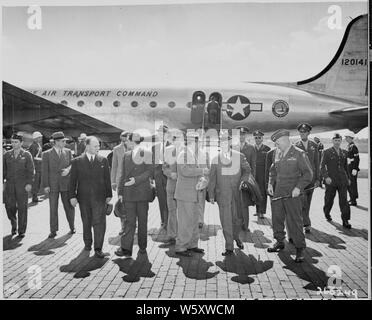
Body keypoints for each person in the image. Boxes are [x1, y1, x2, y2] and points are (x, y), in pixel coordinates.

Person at [267, 129, 313, 263]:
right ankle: (279, 241)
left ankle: (300, 249)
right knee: (277, 218)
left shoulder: (299, 154)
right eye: (275, 143)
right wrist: (270, 183)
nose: (276, 146)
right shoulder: (277, 152)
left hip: (294, 193)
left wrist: (298, 188)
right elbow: (272, 170)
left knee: (295, 221)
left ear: (285, 140)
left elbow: (308, 174)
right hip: (279, 192)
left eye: (278, 143)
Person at [208, 130, 250, 256]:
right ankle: (229, 246)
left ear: (230, 142)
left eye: (226, 141)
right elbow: (212, 178)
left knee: (238, 220)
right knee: (226, 221)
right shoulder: (215, 159)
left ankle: (236, 236)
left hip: (237, 194)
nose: (224, 143)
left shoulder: (240, 156)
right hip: (223, 195)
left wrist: (243, 181)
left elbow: (247, 171)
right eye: (222, 141)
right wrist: (211, 195)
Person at [69, 136, 112, 258]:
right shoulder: (77, 161)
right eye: (95, 146)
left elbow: (107, 179)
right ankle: (88, 244)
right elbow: (72, 181)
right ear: (87, 146)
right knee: (86, 222)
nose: (98, 148)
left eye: (99, 146)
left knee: (99, 223)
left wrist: (109, 194)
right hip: (84, 198)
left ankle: (98, 248)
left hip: (100, 198)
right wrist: (72, 196)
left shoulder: (103, 160)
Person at [115, 133, 153, 257]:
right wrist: (120, 193)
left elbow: (149, 172)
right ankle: (126, 248)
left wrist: (135, 180)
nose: (125, 143)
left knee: (142, 221)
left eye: (127, 141)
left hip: (142, 194)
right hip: (128, 194)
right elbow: (122, 174)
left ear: (132, 141)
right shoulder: (126, 155)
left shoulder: (147, 153)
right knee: (129, 221)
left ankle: (142, 247)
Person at [174, 131, 209, 257]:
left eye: (196, 140)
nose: (196, 143)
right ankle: (181, 247)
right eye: (193, 140)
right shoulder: (183, 154)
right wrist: (201, 171)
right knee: (185, 222)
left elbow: (202, 173)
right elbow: (184, 171)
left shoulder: (195, 154)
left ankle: (192, 245)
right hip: (185, 194)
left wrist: (203, 179)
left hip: (194, 194)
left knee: (194, 220)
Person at [41, 131, 75, 238]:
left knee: (69, 207)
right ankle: (53, 230)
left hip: (66, 184)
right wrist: (46, 185)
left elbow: (73, 164)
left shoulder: (68, 152)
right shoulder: (46, 154)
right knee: (53, 208)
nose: (65, 143)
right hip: (53, 185)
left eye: (65, 141)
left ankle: (72, 226)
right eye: (63, 141)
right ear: (56, 142)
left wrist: (68, 170)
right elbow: (44, 171)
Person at [3, 133, 35, 237]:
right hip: (10, 185)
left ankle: (21, 230)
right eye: (12, 142)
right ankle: (13, 224)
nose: (13, 144)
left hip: (22, 185)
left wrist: (29, 183)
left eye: (16, 142)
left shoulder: (26, 155)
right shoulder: (6, 155)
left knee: (22, 208)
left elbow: (31, 171)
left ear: (21, 143)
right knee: (9, 207)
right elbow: (3, 170)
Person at [321, 133, 351, 228]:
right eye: (335, 140)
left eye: (339, 140)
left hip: (342, 180)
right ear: (332, 141)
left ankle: (345, 220)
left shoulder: (344, 152)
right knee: (329, 199)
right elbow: (322, 166)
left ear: (341, 141)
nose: (337, 142)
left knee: (344, 201)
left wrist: (349, 178)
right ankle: (327, 212)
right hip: (331, 181)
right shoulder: (327, 152)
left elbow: (346, 167)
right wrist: (326, 177)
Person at [295, 123, 320, 233]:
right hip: (301, 179)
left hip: (312, 179)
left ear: (308, 133)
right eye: (301, 132)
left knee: (308, 202)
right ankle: (306, 223)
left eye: (304, 132)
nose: (302, 134)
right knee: (302, 201)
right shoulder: (295, 145)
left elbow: (317, 162)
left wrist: (318, 179)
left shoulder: (314, 145)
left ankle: (305, 222)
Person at [162, 130, 184, 244]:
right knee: (172, 211)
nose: (176, 140)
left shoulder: (187, 151)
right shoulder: (168, 150)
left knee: (183, 212)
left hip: (184, 186)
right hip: (171, 185)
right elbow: (164, 167)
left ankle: (183, 235)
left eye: (178, 137)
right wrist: (170, 174)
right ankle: (171, 235)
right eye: (174, 138)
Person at [235, 126, 256, 230]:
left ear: (246, 135)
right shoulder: (232, 147)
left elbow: (253, 165)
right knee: (236, 203)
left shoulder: (251, 148)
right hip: (234, 180)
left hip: (245, 180)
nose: (241, 136)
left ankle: (245, 225)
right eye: (239, 134)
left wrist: (251, 181)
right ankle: (237, 223)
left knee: (244, 203)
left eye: (243, 134)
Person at [111, 131, 130, 235]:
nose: (124, 142)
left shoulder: (134, 148)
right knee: (121, 205)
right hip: (120, 182)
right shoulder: (116, 149)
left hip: (132, 182)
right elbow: (114, 166)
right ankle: (123, 227)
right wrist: (113, 181)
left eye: (126, 139)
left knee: (132, 205)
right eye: (123, 140)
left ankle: (133, 226)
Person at [152, 125, 170, 230]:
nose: (160, 135)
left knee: (170, 200)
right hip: (158, 177)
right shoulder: (154, 147)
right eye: (159, 133)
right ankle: (163, 221)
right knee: (161, 200)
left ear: (166, 134)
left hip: (169, 177)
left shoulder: (172, 146)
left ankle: (170, 221)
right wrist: (152, 177)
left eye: (162, 133)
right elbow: (152, 164)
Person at [252, 130, 271, 219]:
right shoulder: (252, 148)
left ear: (262, 138)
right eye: (256, 138)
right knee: (256, 192)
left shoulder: (267, 149)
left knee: (263, 192)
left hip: (263, 174)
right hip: (254, 174)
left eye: (259, 138)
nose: (258, 139)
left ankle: (262, 211)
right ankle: (257, 210)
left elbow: (270, 163)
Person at [345, 131, 360, 206]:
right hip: (349, 167)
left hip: (352, 168)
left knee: (353, 184)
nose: (346, 139)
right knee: (349, 184)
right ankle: (351, 198)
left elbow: (357, 159)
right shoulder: (349, 146)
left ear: (351, 138)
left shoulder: (354, 147)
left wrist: (355, 168)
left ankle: (354, 201)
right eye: (346, 137)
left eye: (347, 137)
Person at [29, 131, 43, 203]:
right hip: (36, 167)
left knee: (38, 182)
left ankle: (36, 196)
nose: (41, 138)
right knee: (36, 183)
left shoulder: (37, 145)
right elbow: (32, 158)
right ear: (36, 138)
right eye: (39, 137)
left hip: (39, 167)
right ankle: (34, 197)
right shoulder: (33, 146)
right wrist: (41, 159)